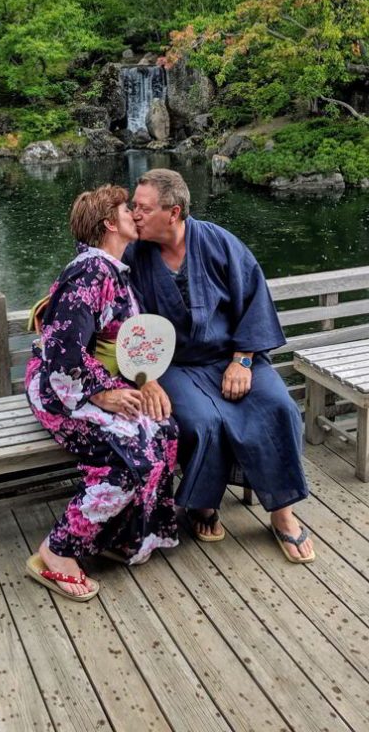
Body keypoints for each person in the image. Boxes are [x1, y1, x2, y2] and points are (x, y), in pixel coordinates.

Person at [125, 169, 314, 564]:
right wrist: (145, 378)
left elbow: (254, 301)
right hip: (172, 366)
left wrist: (243, 361)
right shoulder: (134, 256)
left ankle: (282, 513)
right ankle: (203, 506)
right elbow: (122, 322)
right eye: (132, 207)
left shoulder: (218, 242)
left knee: (278, 406)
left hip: (232, 354)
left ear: (173, 212)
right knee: (202, 422)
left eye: (142, 208)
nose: (134, 214)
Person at [24, 184, 179, 601]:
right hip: (61, 390)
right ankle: (58, 550)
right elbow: (62, 351)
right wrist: (102, 394)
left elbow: (124, 345)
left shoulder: (112, 271)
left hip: (93, 382)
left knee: (163, 432)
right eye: (127, 209)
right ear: (110, 223)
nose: (134, 213)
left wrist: (143, 383)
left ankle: (118, 536)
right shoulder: (89, 273)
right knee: (129, 461)